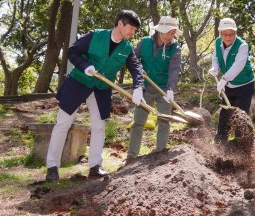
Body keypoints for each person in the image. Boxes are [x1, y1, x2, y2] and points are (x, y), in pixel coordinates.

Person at [45, 10, 144, 181]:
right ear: (120, 23)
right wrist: (85, 66)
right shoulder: (94, 36)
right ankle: (52, 167)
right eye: (131, 28)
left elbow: (136, 69)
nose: (132, 33)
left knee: (99, 126)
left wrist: (138, 88)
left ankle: (95, 167)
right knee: (63, 123)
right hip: (79, 82)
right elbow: (72, 51)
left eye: (135, 30)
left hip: (101, 88)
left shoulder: (127, 48)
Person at [126, 16, 182, 163]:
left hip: (163, 89)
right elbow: (131, 60)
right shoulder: (144, 43)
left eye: (173, 33)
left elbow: (174, 71)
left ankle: (160, 153)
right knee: (138, 122)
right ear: (159, 31)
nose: (170, 36)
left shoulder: (175, 49)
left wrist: (170, 89)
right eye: (168, 33)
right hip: (144, 88)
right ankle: (131, 157)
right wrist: (138, 72)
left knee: (164, 120)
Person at [208, 18, 255, 143]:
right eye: (225, 34)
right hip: (228, 85)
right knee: (225, 112)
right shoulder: (218, 42)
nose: (228, 37)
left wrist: (224, 78)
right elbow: (216, 58)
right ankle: (220, 142)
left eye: (231, 34)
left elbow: (238, 65)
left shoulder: (242, 45)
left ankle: (242, 144)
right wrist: (215, 68)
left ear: (235, 33)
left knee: (241, 115)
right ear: (220, 33)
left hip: (244, 84)